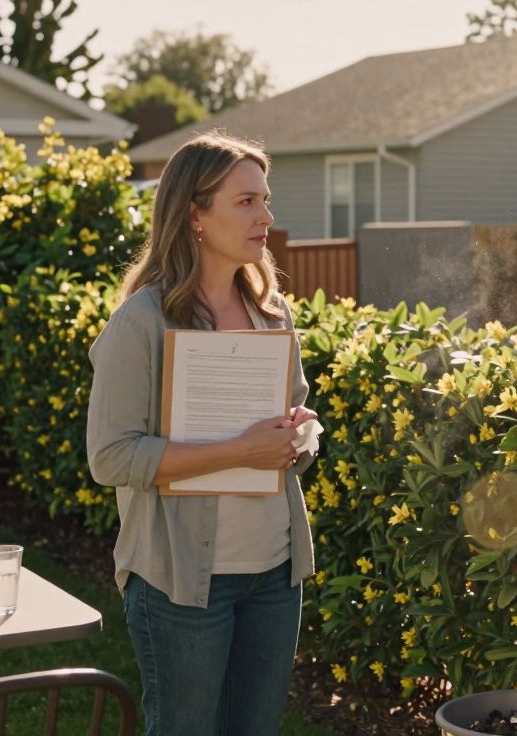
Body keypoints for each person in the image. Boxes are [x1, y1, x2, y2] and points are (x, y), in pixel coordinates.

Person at [86, 132, 317, 735]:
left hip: (273, 574)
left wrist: (300, 438)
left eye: (265, 199)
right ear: (195, 212)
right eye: (246, 202)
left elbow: (296, 417)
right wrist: (240, 450)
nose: (266, 216)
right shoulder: (141, 322)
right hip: (181, 583)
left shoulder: (272, 312)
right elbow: (110, 457)